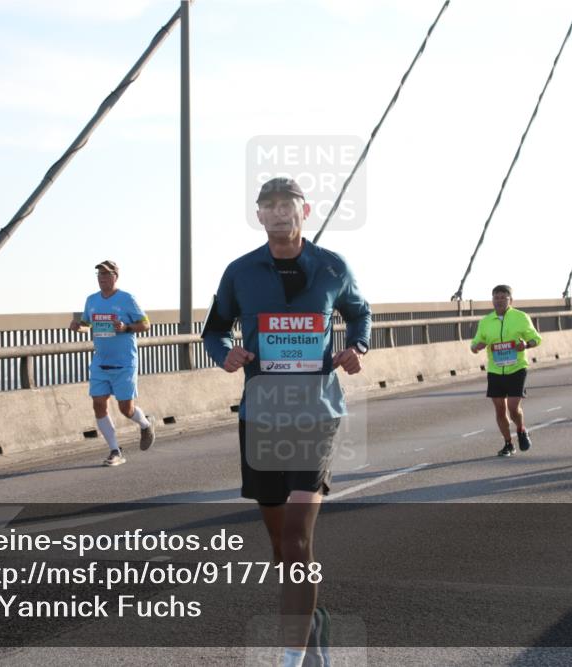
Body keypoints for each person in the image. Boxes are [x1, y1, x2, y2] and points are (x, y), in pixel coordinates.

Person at [203, 176, 371, 667]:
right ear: (259, 215)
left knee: (297, 537)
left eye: (288, 204)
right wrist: (225, 353)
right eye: (269, 205)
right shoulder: (240, 272)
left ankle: (291, 659)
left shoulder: (332, 267)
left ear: (305, 211)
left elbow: (359, 313)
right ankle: (311, 627)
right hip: (261, 416)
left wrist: (357, 346)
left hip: (316, 415)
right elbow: (214, 329)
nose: (279, 212)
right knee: (282, 546)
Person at [69, 260, 156, 466]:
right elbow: (87, 325)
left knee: (126, 409)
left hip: (124, 363)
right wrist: (78, 327)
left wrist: (126, 327)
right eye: (99, 274)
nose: (102, 278)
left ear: (116, 276)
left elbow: (146, 324)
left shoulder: (127, 299)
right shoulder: (91, 300)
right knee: (98, 404)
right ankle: (115, 450)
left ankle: (145, 424)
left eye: (106, 274)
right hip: (100, 362)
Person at [470, 285, 542, 457]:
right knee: (500, 410)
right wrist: (476, 347)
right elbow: (474, 344)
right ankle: (508, 443)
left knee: (513, 407)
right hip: (495, 370)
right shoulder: (486, 321)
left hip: (517, 368)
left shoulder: (521, 317)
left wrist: (525, 344)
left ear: (511, 300)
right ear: (492, 300)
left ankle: (521, 429)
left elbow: (536, 339)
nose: (499, 301)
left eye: (503, 297)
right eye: (496, 297)